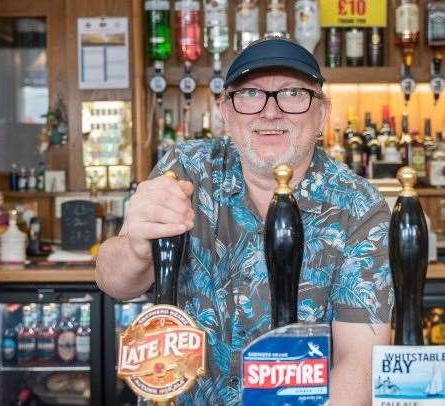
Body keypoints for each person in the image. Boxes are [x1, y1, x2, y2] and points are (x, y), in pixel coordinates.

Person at [96, 37, 392, 405]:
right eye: (250, 94)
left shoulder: (359, 207)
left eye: (293, 94)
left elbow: (360, 362)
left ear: (321, 113)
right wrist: (137, 247)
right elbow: (113, 282)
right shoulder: (187, 171)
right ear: (225, 110)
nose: (270, 112)